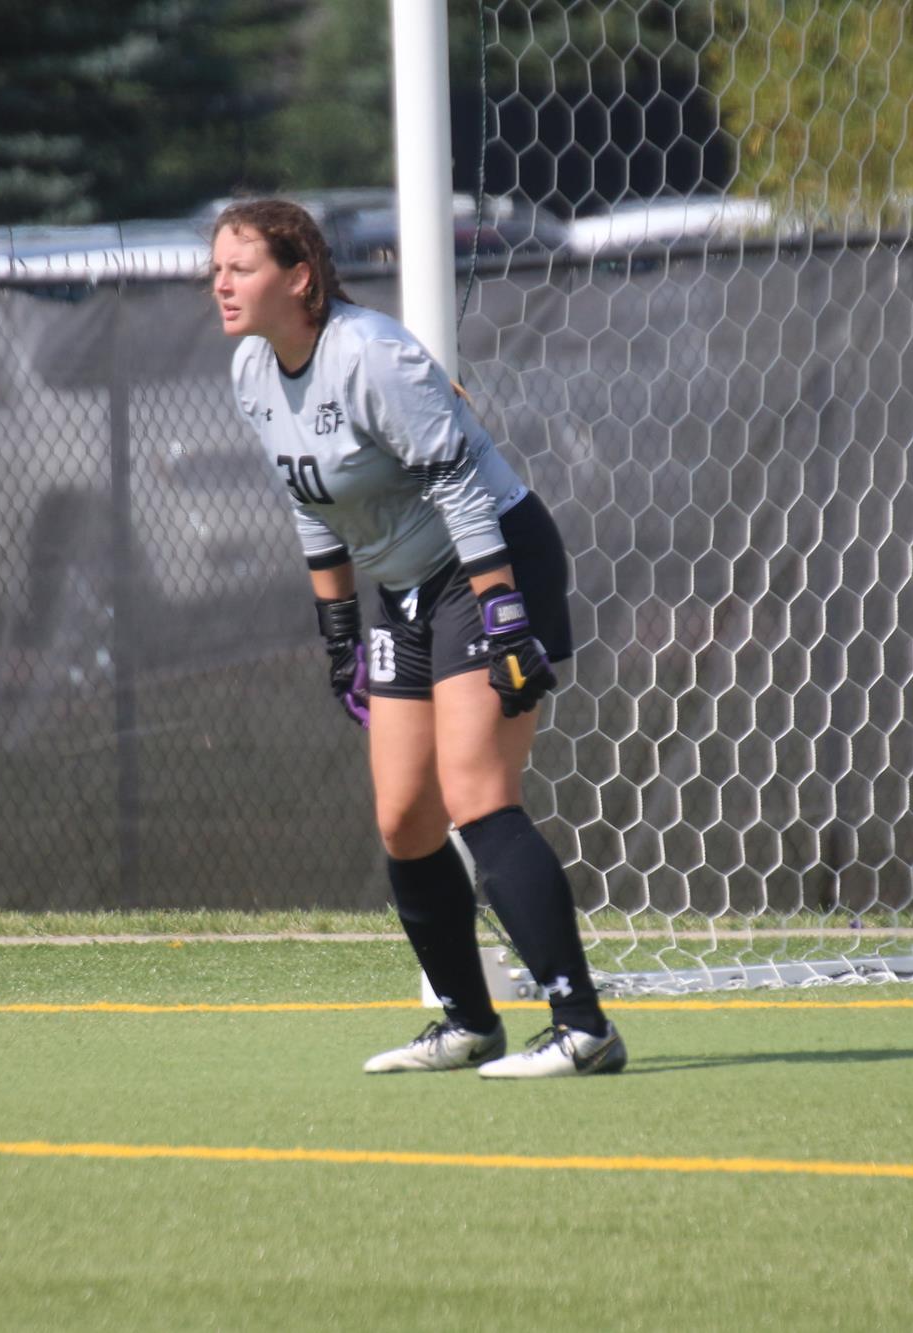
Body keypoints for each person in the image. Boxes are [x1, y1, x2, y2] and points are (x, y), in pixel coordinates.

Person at [211, 198, 625, 1078]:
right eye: (216, 267)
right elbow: (310, 501)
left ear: (300, 275)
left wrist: (506, 614)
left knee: (476, 793)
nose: (220, 282)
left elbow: (465, 489)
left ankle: (582, 1024)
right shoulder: (252, 370)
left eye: (239, 266)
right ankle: (468, 1022)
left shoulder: (371, 355)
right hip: (404, 589)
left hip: (491, 564)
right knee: (404, 816)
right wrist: (337, 632)